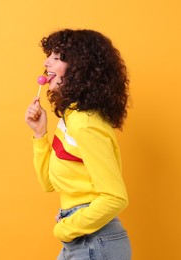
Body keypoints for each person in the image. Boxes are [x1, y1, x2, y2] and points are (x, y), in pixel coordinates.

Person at [25, 29, 131, 260]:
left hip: (94, 241)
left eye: (56, 57)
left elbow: (115, 197)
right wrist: (40, 134)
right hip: (85, 239)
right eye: (49, 56)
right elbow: (49, 184)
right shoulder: (71, 117)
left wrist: (64, 228)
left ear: (79, 67)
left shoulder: (84, 122)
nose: (46, 62)